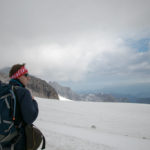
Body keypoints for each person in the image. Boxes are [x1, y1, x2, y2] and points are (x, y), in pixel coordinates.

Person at [2, 63, 39, 150]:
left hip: (3, 140)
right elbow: (30, 117)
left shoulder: (4, 90)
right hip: (17, 142)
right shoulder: (23, 92)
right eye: (26, 75)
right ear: (19, 76)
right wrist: (33, 101)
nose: (28, 78)